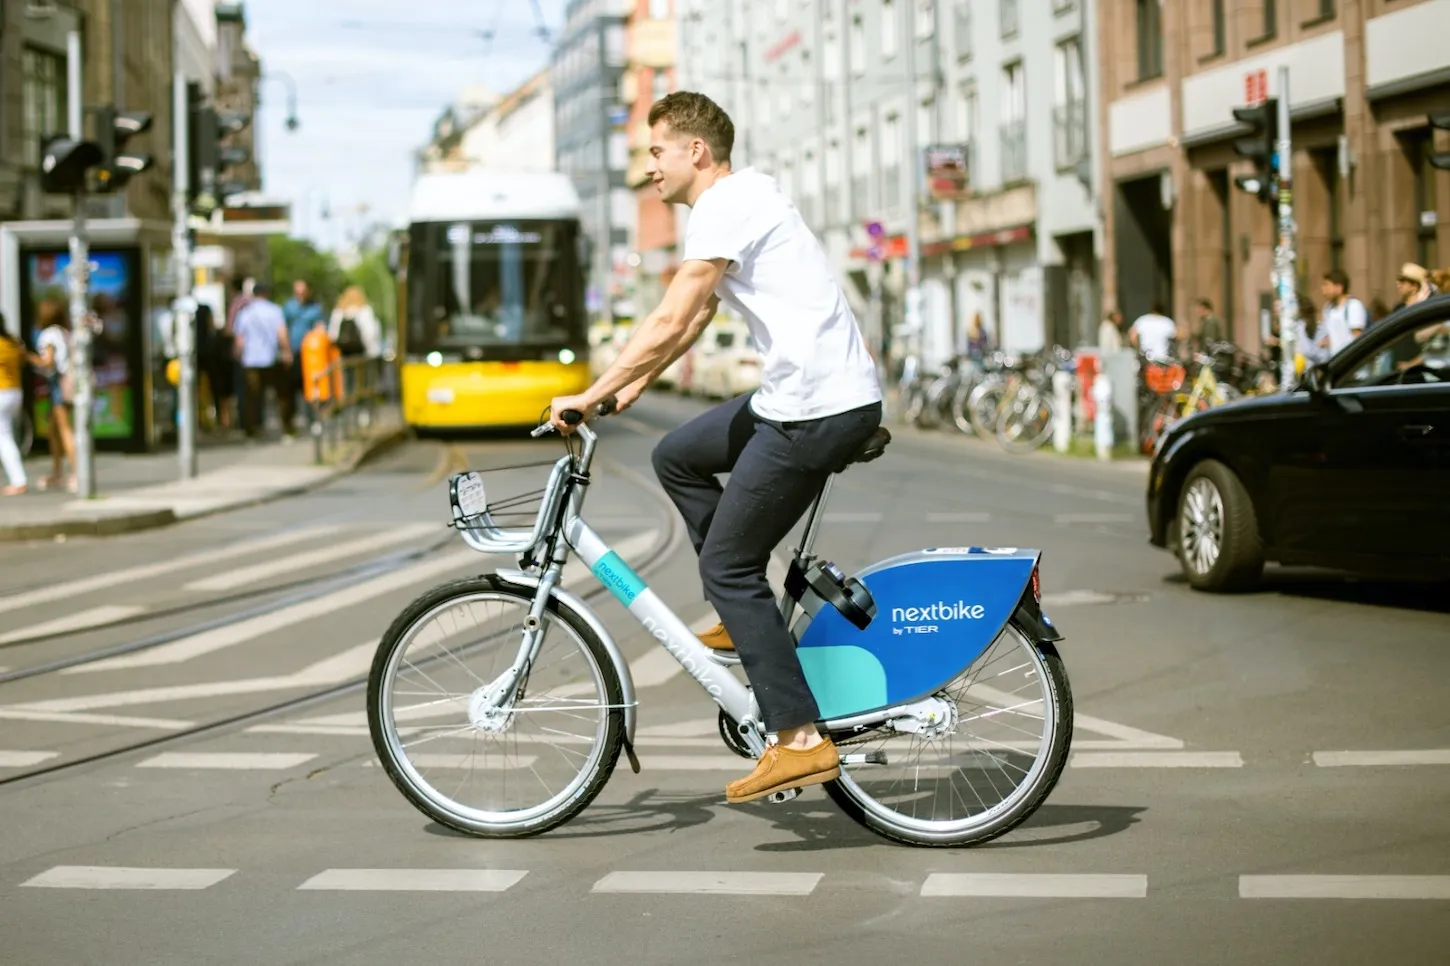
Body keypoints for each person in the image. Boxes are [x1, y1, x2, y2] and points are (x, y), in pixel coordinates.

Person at [547, 91, 883, 805]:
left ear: (696, 151)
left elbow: (673, 311)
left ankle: (798, 739)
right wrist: (631, 386)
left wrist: (590, 390)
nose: (649, 169)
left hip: (816, 410)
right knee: (678, 455)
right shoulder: (739, 203)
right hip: (803, 397)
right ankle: (744, 615)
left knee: (727, 567)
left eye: (657, 152)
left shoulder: (728, 203)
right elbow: (696, 318)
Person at [232, 282, 295, 440]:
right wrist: (287, 352)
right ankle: (286, 429)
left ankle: (251, 431)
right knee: (280, 395)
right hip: (271, 359)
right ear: (267, 293)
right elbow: (282, 334)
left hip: (251, 360)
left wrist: (239, 355)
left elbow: (240, 340)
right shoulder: (275, 310)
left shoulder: (245, 313)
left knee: (252, 397)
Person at [31, 299, 76, 492]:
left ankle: (76, 473)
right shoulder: (64, 333)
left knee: (64, 429)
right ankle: (58, 473)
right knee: (54, 430)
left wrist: (28, 357)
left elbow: (48, 362)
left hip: (58, 383)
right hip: (68, 381)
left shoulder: (48, 334)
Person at [0, 314, 28, 495]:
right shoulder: (11, 341)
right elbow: (23, 360)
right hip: (15, 392)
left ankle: (19, 480)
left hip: (2, 393)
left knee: (3, 437)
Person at [1317, 269, 1367, 356]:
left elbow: (1357, 338)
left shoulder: (1353, 306)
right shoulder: (1328, 309)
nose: (1323, 290)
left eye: (1327, 285)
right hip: (1336, 362)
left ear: (1339, 287)